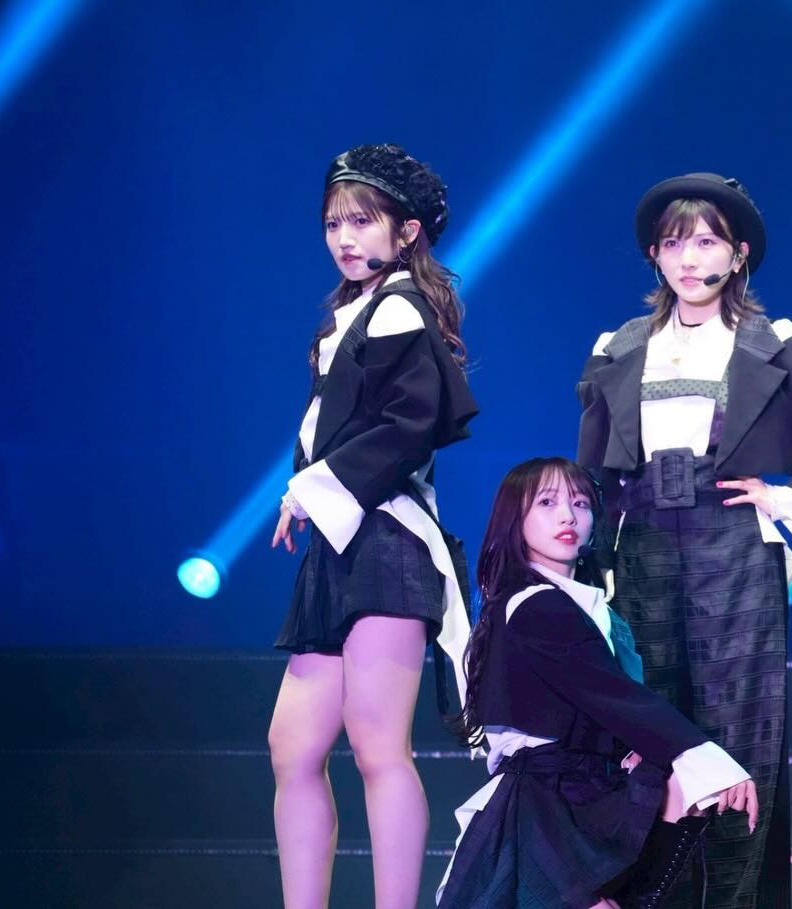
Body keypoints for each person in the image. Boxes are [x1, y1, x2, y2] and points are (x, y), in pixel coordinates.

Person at [576, 173, 792, 908]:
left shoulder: (775, 344)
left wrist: (788, 496)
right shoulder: (620, 347)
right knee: (646, 728)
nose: (689, 258)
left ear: (738, 255)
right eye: (674, 242)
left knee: (738, 733)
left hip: (734, 547)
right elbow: (592, 472)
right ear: (653, 254)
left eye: (706, 241)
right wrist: (586, 566)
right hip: (641, 548)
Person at [267, 143, 478, 909]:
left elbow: (410, 425)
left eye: (362, 222)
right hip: (339, 544)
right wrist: (301, 489)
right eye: (333, 223)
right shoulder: (347, 314)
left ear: (407, 230)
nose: (344, 238)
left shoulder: (399, 307)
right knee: (292, 746)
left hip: (388, 542)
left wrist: (314, 487)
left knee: (377, 744)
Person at [436, 456, 758, 909]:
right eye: (547, 503)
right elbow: (615, 696)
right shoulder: (535, 606)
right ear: (515, 520)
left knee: (681, 790)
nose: (568, 516)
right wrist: (709, 760)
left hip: (585, 791)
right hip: (546, 805)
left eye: (580, 503)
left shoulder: (591, 611)